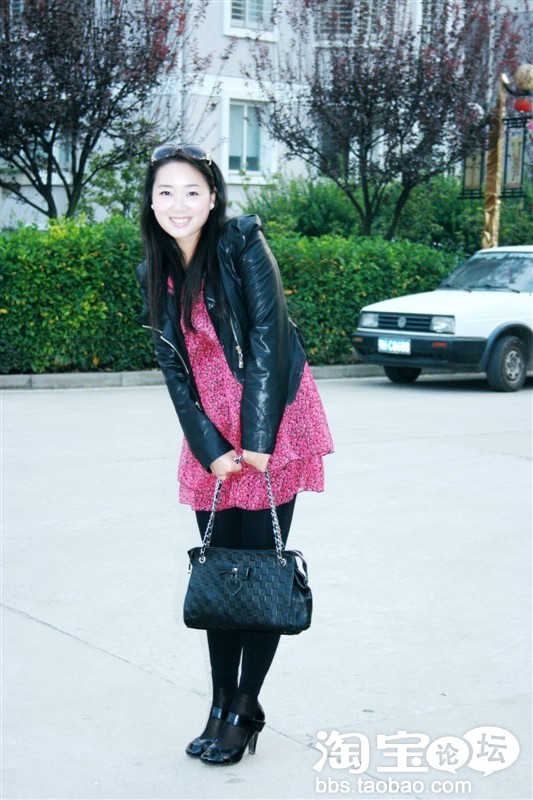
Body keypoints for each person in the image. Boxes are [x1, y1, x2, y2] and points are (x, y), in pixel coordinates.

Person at [136, 143, 333, 766]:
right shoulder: (154, 271)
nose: (179, 204)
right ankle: (220, 705)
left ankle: (245, 708)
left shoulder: (242, 243)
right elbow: (173, 370)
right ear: (151, 202)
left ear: (213, 197)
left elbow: (270, 339)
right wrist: (209, 447)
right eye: (166, 192)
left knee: (262, 572)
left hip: (273, 421)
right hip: (213, 437)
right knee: (220, 573)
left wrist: (257, 441)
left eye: (192, 191)